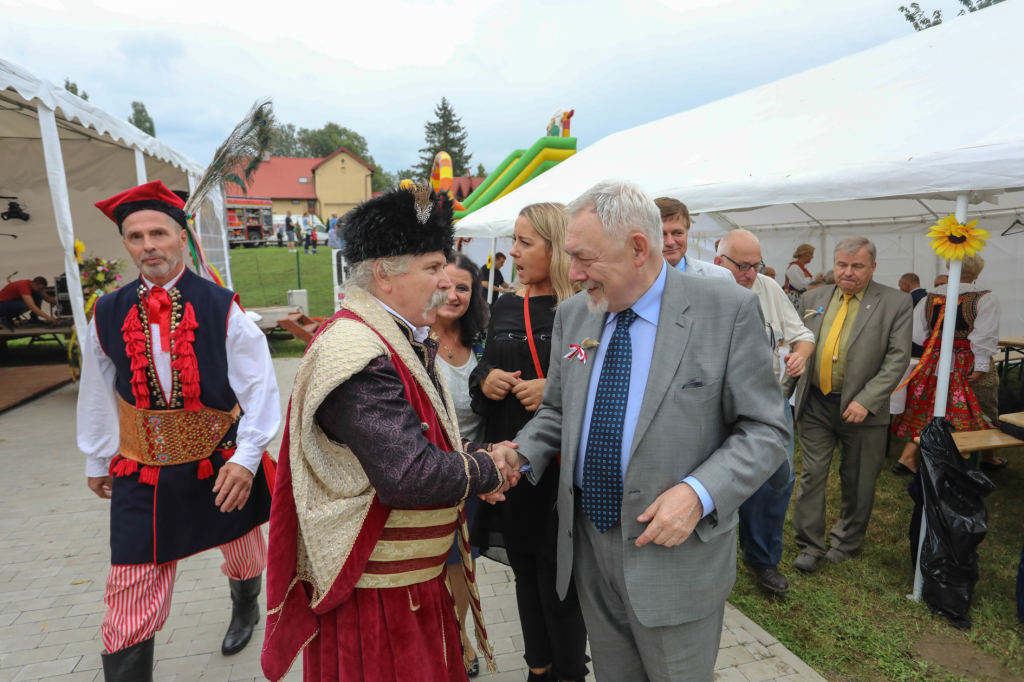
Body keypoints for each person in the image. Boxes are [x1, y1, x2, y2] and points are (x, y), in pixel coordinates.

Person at [503, 180, 789, 681]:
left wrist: (699, 494)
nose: (572, 273)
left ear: (638, 248)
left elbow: (766, 430)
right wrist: (521, 455)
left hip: (674, 558)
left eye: (584, 258)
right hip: (590, 547)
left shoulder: (726, 311)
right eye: (569, 257)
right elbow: (556, 411)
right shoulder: (576, 316)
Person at [261, 184, 518, 682]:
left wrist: (474, 461)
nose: (447, 281)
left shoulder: (388, 336)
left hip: (406, 589)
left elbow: (415, 440)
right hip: (379, 599)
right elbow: (407, 473)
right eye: (432, 267)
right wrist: (487, 468)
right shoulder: (360, 352)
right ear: (384, 273)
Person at [79, 181, 280, 681]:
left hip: (219, 460)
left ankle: (246, 605)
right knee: (129, 579)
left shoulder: (222, 307)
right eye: (135, 236)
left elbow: (261, 391)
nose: (149, 246)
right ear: (125, 244)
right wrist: (98, 458)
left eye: (159, 233)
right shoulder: (106, 312)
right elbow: (96, 390)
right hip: (141, 469)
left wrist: (246, 457)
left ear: (181, 238)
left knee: (242, 547)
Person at [469, 203, 589, 682]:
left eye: (524, 243)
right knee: (523, 571)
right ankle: (538, 668)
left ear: (555, 247)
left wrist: (552, 390)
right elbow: (482, 364)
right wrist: (487, 378)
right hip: (511, 465)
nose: (513, 252)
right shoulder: (503, 305)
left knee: (559, 580)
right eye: (514, 241)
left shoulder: (581, 308)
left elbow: (593, 375)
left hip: (558, 469)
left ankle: (569, 671)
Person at [791, 237, 912, 573]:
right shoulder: (812, 297)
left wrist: (867, 400)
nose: (847, 273)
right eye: (842, 265)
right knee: (812, 475)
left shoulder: (895, 302)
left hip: (861, 409)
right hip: (816, 403)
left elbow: (898, 358)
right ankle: (809, 544)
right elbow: (800, 341)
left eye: (857, 266)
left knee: (858, 479)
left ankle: (846, 540)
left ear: (872, 267)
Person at [714, 230, 815, 595]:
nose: (750, 273)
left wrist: (800, 354)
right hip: (718, 407)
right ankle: (713, 558)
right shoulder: (705, 290)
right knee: (718, 480)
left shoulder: (769, 288)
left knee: (777, 479)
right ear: (718, 262)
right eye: (741, 266)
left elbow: (802, 334)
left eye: (755, 265)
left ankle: (762, 559)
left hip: (770, 402)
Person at [430, 253, 491, 678]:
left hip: (475, 475)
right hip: (431, 473)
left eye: (464, 287)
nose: (453, 295)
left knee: (461, 564)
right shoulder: (410, 341)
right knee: (436, 562)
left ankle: (461, 634)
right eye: (445, 285)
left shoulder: (483, 343)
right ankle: (451, 639)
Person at [892, 256, 1003, 473]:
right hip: (968, 361)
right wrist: (980, 366)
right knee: (980, 406)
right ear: (977, 273)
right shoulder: (984, 298)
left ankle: (907, 458)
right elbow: (985, 336)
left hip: (935, 360)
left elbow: (916, 333)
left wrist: (939, 343)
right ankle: (979, 459)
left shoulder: (930, 297)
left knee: (929, 404)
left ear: (949, 269)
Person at [654, 197, 732, 279]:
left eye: (678, 233)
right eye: (661, 234)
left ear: (687, 234)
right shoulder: (639, 281)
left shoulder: (720, 277)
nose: (670, 242)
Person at [898, 273, 929, 359]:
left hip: (913, 345)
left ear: (906, 285)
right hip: (927, 344)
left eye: (900, 286)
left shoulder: (908, 298)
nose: (900, 289)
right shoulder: (928, 296)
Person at [784, 244, 815, 310]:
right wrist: (810, 280)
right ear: (803, 254)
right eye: (811, 254)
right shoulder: (794, 268)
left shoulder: (800, 268)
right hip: (794, 298)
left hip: (799, 297)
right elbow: (800, 286)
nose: (812, 257)